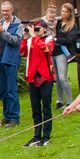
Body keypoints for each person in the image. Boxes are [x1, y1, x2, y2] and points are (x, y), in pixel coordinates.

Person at [22, 19, 56, 147]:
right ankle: (37, 135)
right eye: (34, 29)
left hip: (45, 76)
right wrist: (25, 39)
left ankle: (46, 136)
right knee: (35, 108)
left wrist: (34, 37)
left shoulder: (49, 39)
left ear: (45, 29)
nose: (35, 31)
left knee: (46, 107)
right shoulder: (31, 39)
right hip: (32, 76)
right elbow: (23, 52)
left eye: (38, 29)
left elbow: (47, 50)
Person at [0, 3, 23, 126]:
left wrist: (3, 32)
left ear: (12, 10)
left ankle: (15, 117)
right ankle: (6, 116)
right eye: (3, 10)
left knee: (11, 90)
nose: (4, 13)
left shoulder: (18, 25)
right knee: (3, 90)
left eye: (7, 10)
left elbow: (16, 41)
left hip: (11, 60)